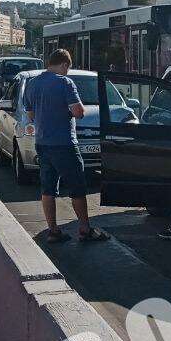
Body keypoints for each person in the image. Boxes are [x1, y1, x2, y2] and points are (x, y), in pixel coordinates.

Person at [21, 49, 109, 244]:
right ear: (64, 64)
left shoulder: (32, 84)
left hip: (42, 143)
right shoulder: (65, 83)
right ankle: (85, 229)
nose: (67, 72)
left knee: (48, 189)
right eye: (67, 68)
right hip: (65, 144)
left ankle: (53, 231)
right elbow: (78, 112)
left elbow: (30, 115)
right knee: (77, 187)